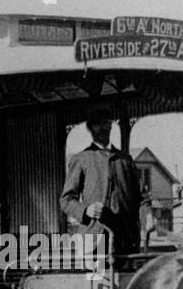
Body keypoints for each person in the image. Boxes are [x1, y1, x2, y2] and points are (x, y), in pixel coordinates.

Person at [59, 106, 153, 256]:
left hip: (126, 240)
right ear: (90, 128)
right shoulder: (81, 159)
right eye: (97, 124)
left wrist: (147, 216)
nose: (103, 128)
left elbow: (142, 198)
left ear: (110, 125)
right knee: (96, 280)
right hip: (94, 240)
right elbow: (66, 200)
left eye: (106, 123)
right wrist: (86, 210)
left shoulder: (125, 160)